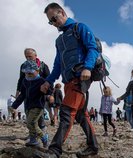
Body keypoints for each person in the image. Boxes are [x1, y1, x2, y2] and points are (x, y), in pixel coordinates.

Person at [40, 2, 100, 157]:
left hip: (81, 77)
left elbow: (92, 48)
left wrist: (87, 67)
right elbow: (57, 64)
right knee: (80, 115)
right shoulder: (59, 41)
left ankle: (54, 150)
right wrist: (49, 80)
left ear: (62, 12)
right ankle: (93, 147)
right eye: (50, 21)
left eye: (54, 18)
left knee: (66, 112)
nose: (53, 23)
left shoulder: (80, 27)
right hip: (67, 82)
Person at [10, 60, 52, 147]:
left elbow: (49, 90)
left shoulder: (41, 81)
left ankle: (43, 137)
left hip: (38, 105)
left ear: (37, 71)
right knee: (32, 124)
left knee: (31, 123)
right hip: (28, 106)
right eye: (26, 73)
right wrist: (14, 105)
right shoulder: (25, 81)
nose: (28, 75)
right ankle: (33, 140)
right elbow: (22, 95)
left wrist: (49, 95)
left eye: (30, 73)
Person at [16, 48, 50, 138]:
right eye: (26, 56)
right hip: (27, 91)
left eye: (30, 56)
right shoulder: (24, 66)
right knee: (28, 112)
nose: (28, 58)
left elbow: (49, 78)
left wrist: (50, 93)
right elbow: (21, 79)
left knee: (39, 113)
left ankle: (42, 130)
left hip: (40, 94)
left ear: (35, 56)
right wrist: (18, 91)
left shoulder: (43, 66)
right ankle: (32, 134)